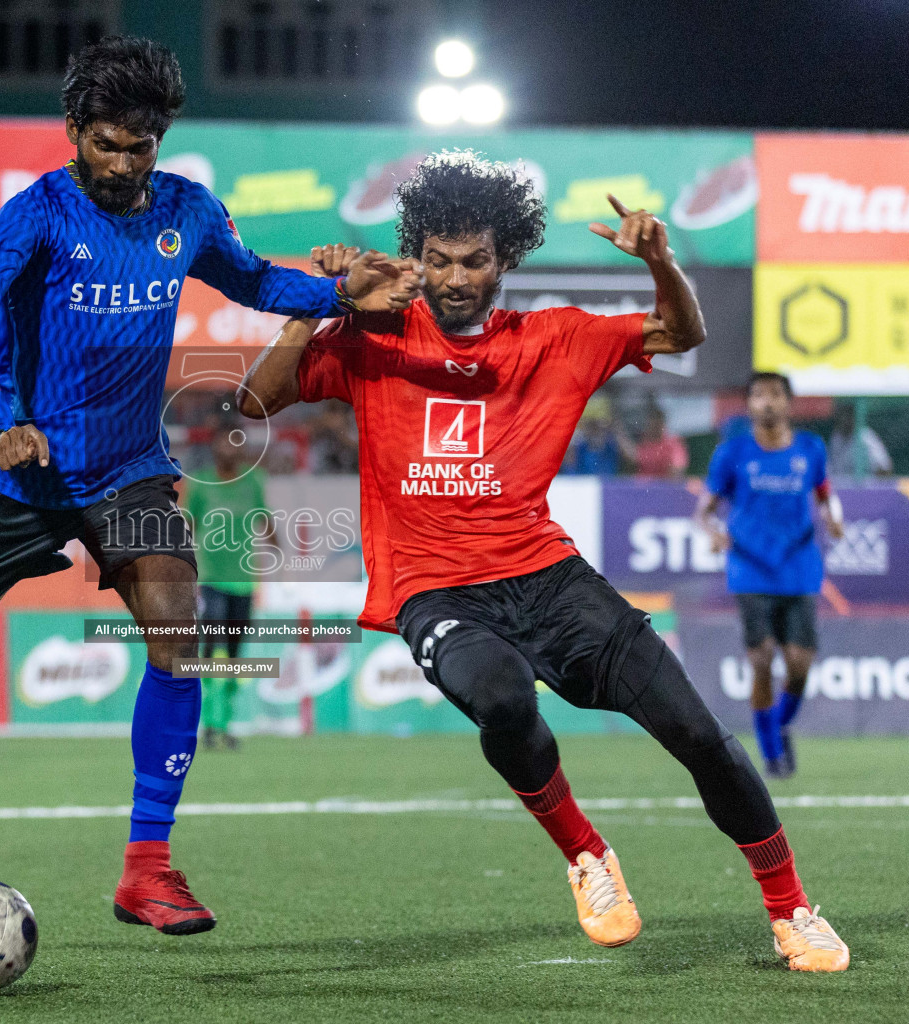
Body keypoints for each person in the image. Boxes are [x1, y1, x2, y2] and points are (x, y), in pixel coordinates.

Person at [0, 36, 419, 937]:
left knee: (179, 633)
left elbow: (251, 279)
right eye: (106, 144)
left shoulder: (187, 209)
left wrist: (339, 295)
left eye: (139, 146)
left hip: (129, 470)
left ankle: (146, 869)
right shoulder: (34, 215)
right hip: (25, 471)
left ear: (160, 140)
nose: (121, 163)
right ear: (74, 132)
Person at [238, 151, 849, 971]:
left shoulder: (556, 338)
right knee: (501, 695)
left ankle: (792, 910)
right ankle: (587, 854)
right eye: (443, 260)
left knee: (698, 734)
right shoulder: (372, 339)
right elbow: (255, 400)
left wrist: (661, 261)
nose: (458, 278)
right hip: (434, 589)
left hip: (549, 578)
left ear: (505, 260)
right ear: (417, 256)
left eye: (477, 260)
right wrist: (318, 306)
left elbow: (682, 333)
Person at [695, 374, 844, 781]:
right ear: (748, 406)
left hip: (798, 567)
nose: (767, 403)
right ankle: (771, 751)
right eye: (758, 395)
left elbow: (826, 494)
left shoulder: (811, 449)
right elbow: (704, 511)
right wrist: (714, 534)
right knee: (761, 660)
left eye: (775, 395)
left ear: (789, 403)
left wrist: (834, 518)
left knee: (799, 665)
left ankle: (779, 722)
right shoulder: (732, 453)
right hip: (750, 566)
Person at [184, 430, 275, 750]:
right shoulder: (201, 483)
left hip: (244, 581)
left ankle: (228, 723)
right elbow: (188, 526)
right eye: (223, 442)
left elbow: (264, 518)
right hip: (211, 580)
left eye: (234, 443)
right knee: (212, 651)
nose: (228, 448)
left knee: (235, 656)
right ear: (214, 449)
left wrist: (279, 546)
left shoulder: (253, 481)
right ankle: (210, 723)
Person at [828, 404, 892, 478]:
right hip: (839, 486)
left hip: (864, 487)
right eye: (842, 416)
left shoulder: (865, 436)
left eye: (848, 416)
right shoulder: (836, 437)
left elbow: (885, 468)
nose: (844, 420)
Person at [632, 404, 689, 479]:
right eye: (652, 422)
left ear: (662, 423)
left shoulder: (673, 442)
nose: (654, 426)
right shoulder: (643, 442)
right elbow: (634, 458)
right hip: (642, 487)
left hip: (665, 487)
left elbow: (678, 467)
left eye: (657, 422)